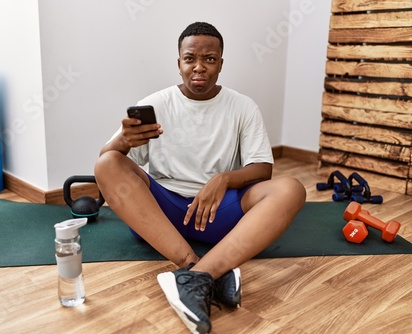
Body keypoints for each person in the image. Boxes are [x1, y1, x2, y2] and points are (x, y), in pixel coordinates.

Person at [94, 22, 306, 334]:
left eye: (209, 59)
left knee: (291, 188)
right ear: (178, 63)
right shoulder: (154, 103)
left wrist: (223, 180)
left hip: (218, 213)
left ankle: (196, 276)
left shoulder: (243, 106)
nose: (199, 67)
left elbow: (263, 169)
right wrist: (123, 141)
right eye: (190, 58)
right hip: (161, 215)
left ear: (221, 63)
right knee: (107, 162)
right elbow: (106, 161)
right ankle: (193, 266)